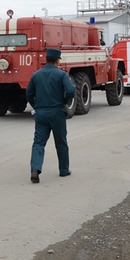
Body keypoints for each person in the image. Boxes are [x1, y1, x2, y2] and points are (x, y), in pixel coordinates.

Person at [26, 48, 76, 183]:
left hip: (41, 113)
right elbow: (71, 89)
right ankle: (64, 170)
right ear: (58, 60)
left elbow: (29, 93)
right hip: (57, 112)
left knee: (38, 143)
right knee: (61, 142)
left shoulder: (36, 74)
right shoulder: (61, 74)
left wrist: (36, 105)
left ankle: (35, 169)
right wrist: (65, 101)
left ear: (46, 59)